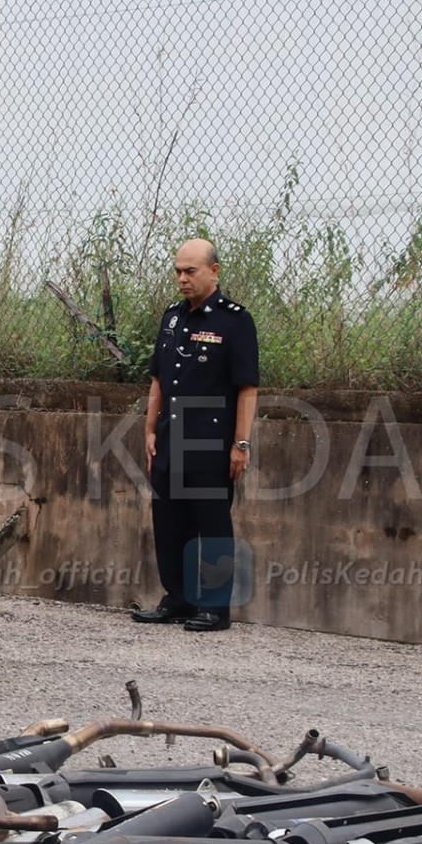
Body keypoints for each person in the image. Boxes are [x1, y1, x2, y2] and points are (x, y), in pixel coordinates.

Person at [130, 238, 260, 632]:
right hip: (171, 434)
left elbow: (247, 389)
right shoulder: (172, 317)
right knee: (169, 520)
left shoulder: (234, 320)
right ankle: (179, 600)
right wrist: (150, 427)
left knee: (211, 522)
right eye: (178, 271)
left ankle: (216, 609)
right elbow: (157, 379)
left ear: (214, 271)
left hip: (209, 437)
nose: (182, 279)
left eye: (191, 271)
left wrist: (241, 444)